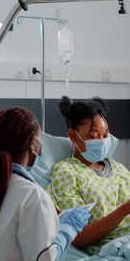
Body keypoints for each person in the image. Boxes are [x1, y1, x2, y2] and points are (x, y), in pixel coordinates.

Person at [0, 107, 90, 261]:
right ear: (33, 144)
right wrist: (68, 229)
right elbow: (45, 258)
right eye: (41, 139)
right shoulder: (33, 197)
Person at [46, 96, 130, 256]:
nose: (102, 141)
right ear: (72, 136)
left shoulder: (119, 169)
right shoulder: (66, 172)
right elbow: (79, 236)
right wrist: (124, 210)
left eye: (105, 135)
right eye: (93, 136)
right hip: (113, 250)